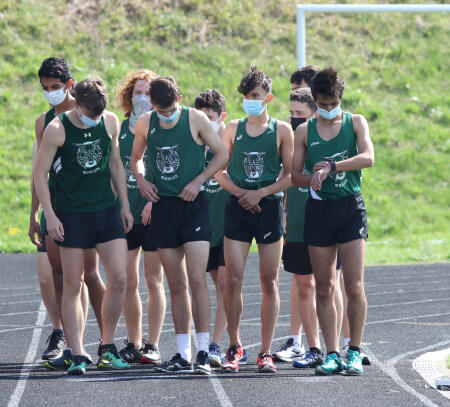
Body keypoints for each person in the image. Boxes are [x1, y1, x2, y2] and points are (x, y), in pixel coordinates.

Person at [34, 77, 133, 375]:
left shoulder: (110, 122)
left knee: (120, 278)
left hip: (105, 211)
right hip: (71, 214)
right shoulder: (56, 129)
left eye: (99, 114)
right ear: (77, 105)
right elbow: (40, 175)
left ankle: (107, 345)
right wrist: (49, 215)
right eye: (91, 115)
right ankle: (77, 353)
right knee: (73, 284)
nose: (96, 120)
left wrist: (125, 206)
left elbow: (115, 164)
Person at [131, 76, 228, 375]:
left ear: (179, 99)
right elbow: (135, 158)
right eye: (162, 112)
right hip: (165, 207)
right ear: (154, 107)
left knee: (197, 280)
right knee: (176, 285)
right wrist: (143, 180)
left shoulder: (195, 118)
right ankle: (182, 352)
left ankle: (202, 350)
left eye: (171, 109)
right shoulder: (147, 122)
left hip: (193, 206)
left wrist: (199, 181)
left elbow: (222, 154)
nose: (167, 116)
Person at [291, 67, 374, 375]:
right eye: (322, 104)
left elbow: (368, 157)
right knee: (324, 287)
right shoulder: (304, 131)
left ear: (341, 97)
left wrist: (333, 166)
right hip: (320, 211)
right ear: (315, 101)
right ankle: (332, 353)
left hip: (350, 208)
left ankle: (354, 350)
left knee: (353, 285)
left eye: (332, 102)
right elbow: (294, 175)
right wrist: (311, 176)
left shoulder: (355, 122)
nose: (328, 109)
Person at [215, 66, 294, 373]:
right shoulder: (233, 128)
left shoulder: (282, 130)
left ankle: (265, 351)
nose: (250, 100)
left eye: (256, 96)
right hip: (238, 207)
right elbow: (218, 170)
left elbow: (290, 176)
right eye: (246, 96)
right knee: (231, 281)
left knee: (269, 282)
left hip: (268, 209)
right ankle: (235, 346)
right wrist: (240, 192)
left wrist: (260, 193)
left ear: (268, 98)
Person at [29, 58, 105, 368]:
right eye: (45, 88)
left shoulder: (88, 112)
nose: (50, 93)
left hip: (88, 207)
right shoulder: (43, 122)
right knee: (56, 275)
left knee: (89, 273)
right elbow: (40, 172)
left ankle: (106, 341)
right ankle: (66, 338)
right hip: (56, 207)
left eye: (55, 88)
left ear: (69, 85)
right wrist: (35, 213)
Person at [194, 89, 248, 368]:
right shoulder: (193, 145)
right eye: (200, 117)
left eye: (211, 117)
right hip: (205, 228)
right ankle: (235, 343)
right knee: (217, 285)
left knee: (227, 285)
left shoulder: (233, 146)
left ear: (222, 118)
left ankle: (215, 345)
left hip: (230, 226)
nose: (205, 122)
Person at [115, 70, 165, 365]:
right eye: (138, 93)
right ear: (128, 97)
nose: (143, 98)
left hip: (154, 211)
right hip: (124, 213)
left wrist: (153, 203)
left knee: (153, 279)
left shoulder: (163, 127)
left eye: (148, 93)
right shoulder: (119, 129)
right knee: (127, 279)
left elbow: (168, 171)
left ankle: (153, 344)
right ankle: (133, 342)